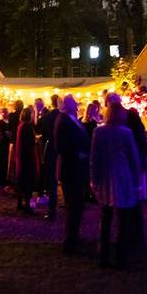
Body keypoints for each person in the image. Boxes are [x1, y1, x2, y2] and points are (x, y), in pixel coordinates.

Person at [90, 95, 141, 269]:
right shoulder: (126, 132)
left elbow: (94, 158)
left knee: (105, 218)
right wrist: (136, 179)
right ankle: (121, 258)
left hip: (105, 176)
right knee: (122, 220)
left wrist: (93, 179)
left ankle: (102, 256)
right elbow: (133, 157)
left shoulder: (99, 132)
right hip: (122, 176)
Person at [54, 94, 90, 253]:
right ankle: (70, 242)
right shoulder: (63, 120)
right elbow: (61, 146)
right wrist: (77, 154)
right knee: (73, 205)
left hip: (77, 167)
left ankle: (74, 236)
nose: (77, 106)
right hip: (71, 168)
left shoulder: (71, 119)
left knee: (77, 204)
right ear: (68, 105)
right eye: (74, 104)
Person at [124, 106, 147, 247]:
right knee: (136, 204)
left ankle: (132, 236)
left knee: (130, 205)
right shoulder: (138, 135)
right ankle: (138, 237)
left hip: (130, 171)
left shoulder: (128, 135)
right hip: (137, 168)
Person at [37, 95, 60, 220]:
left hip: (51, 150)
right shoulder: (64, 117)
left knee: (52, 181)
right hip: (62, 151)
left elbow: (44, 134)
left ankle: (52, 209)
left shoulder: (47, 117)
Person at [15, 105, 39, 214]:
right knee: (28, 180)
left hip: (21, 156)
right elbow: (30, 143)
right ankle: (27, 206)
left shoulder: (21, 126)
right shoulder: (28, 127)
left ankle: (20, 203)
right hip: (28, 157)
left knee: (21, 180)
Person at [7, 99, 23, 184]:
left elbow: (9, 127)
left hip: (14, 140)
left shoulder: (12, 115)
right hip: (21, 140)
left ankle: (13, 180)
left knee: (13, 161)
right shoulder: (23, 115)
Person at [0, 107, 12, 191]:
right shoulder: (1, 122)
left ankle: (7, 182)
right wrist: (7, 134)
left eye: (6, 112)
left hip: (9, 144)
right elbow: (3, 134)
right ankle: (1, 182)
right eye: (3, 112)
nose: (5, 114)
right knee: (3, 163)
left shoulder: (9, 122)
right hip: (3, 145)